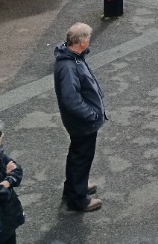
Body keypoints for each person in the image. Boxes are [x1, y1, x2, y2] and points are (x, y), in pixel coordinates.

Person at [53, 23, 106, 213]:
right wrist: (91, 115)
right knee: (81, 157)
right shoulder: (69, 66)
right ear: (82, 42)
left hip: (80, 122)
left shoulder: (72, 58)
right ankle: (78, 199)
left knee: (78, 156)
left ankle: (76, 187)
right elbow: (71, 99)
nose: (90, 40)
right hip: (83, 123)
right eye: (88, 37)